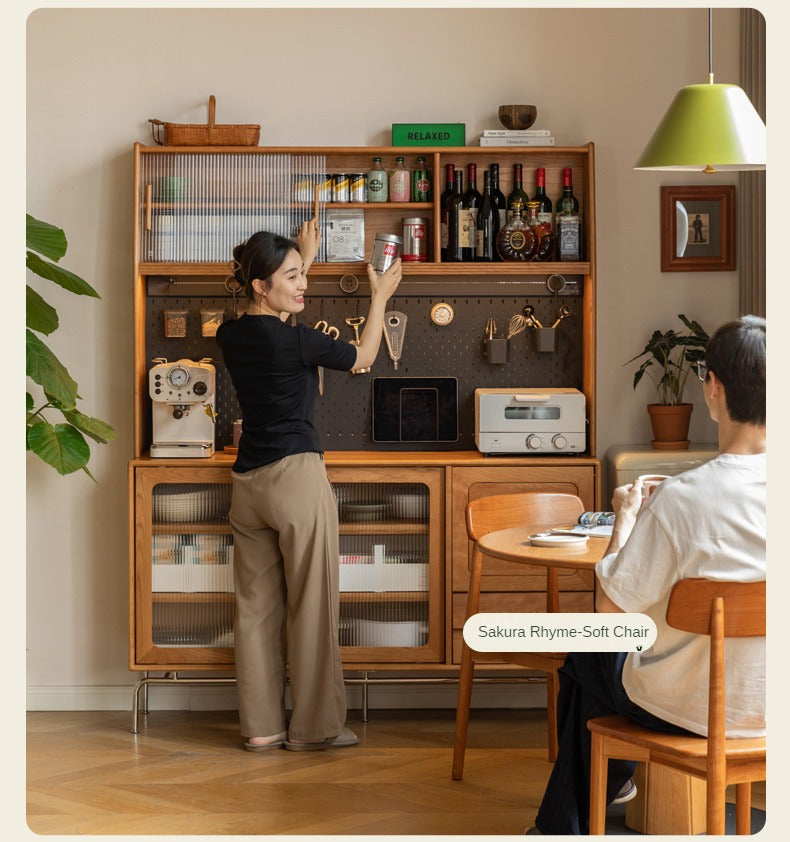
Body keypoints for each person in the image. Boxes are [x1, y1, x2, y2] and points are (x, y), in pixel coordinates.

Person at [527, 315, 766, 835]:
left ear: (714, 390)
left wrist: (626, 522)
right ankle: (596, 795)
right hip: (772, 707)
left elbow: (610, 612)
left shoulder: (684, 498)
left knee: (588, 648)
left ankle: (578, 811)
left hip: (693, 711)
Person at [215, 219, 402, 752]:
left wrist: (303, 256)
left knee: (255, 611)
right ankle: (316, 729)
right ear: (260, 284)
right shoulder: (298, 342)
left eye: (303, 276)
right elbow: (364, 359)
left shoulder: (231, 334)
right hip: (296, 479)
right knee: (313, 605)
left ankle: (261, 729)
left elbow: (271, 311)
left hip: (247, 485)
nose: (303, 286)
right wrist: (379, 294)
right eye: (292, 277)